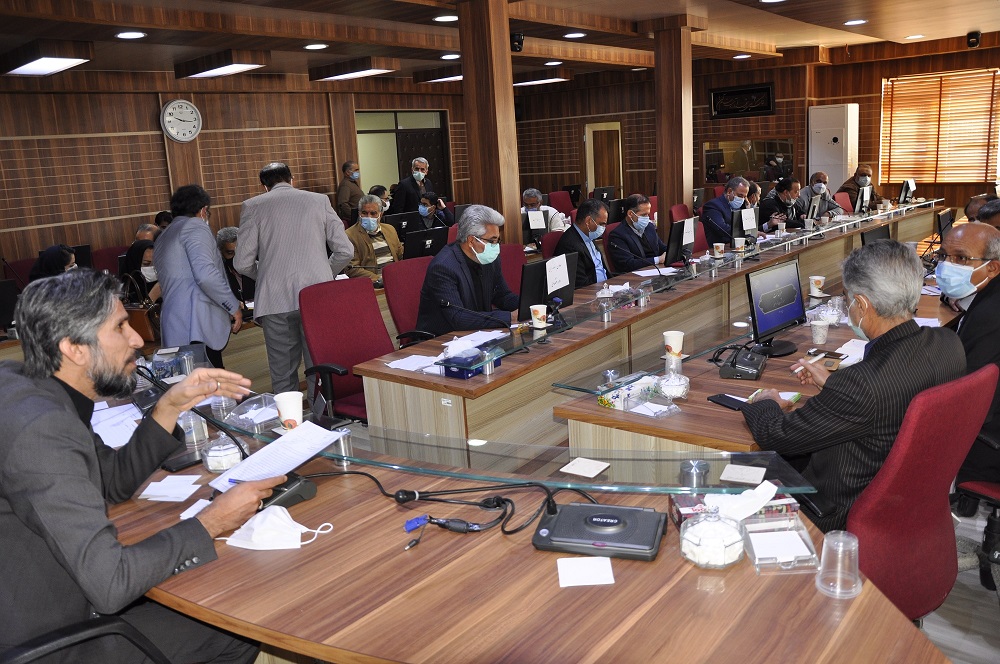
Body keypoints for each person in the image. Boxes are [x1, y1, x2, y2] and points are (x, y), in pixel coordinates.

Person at [0, 268, 282, 662]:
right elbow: (110, 583)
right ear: (74, 349)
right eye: (120, 327)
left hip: (54, 599)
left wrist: (168, 406)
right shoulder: (43, 430)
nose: (137, 338)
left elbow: (110, 483)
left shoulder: (29, 386)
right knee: (238, 623)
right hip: (49, 642)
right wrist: (212, 522)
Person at [740, 240, 966, 532]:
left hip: (838, 511)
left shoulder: (861, 386)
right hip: (907, 500)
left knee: (732, 468)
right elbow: (888, 399)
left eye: (847, 298)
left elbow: (776, 437)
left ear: (862, 304)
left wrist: (767, 402)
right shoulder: (948, 343)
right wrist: (835, 385)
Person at [235, 162, 353, 395]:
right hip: (316, 297)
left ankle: (288, 418)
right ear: (292, 179)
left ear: (264, 186)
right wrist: (323, 273)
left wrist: (268, 274)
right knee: (319, 368)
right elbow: (345, 251)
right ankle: (320, 416)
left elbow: (241, 263)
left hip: (275, 301)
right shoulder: (319, 201)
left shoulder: (253, 206)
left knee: (282, 374)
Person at [939, 225, 1000, 498]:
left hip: (987, 444)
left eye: (961, 258)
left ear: (993, 268)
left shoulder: (991, 316)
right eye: (943, 256)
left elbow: (966, 395)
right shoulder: (989, 295)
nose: (947, 265)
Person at [155, 185, 241, 369]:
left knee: (190, 382)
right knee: (212, 383)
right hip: (197, 325)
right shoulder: (195, 226)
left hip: (175, 325)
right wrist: (233, 306)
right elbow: (205, 275)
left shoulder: (164, 234)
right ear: (203, 210)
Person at [415, 205, 518, 336]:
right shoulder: (443, 267)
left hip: (478, 333)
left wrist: (529, 305)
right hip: (442, 339)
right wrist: (510, 317)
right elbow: (458, 318)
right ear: (471, 240)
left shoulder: (489, 259)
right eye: (492, 241)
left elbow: (502, 296)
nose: (496, 246)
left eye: (497, 240)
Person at [345, 194, 402, 282]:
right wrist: (379, 279)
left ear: (380, 214)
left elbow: (400, 255)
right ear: (359, 214)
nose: (369, 217)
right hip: (374, 282)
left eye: (373, 213)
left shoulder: (390, 229)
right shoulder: (350, 235)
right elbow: (352, 269)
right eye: (364, 213)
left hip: (396, 276)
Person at [554, 198, 609, 288]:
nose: (604, 228)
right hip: (592, 291)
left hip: (606, 286)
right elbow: (581, 285)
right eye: (601, 224)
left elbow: (602, 269)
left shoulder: (589, 234)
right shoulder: (570, 246)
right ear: (588, 221)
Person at [607, 194, 669, 272]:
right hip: (635, 275)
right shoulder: (617, 235)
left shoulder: (649, 227)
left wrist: (670, 252)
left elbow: (661, 247)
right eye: (643, 215)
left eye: (648, 214)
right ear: (630, 214)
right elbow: (628, 264)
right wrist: (658, 260)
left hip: (657, 270)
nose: (647, 218)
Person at [700, 176, 749, 247]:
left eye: (744, 197)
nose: (742, 200)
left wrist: (748, 209)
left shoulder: (737, 207)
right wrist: (745, 233)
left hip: (734, 245)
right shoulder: (713, 206)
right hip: (719, 248)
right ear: (729, 191)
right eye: (740, 195)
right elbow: (723, 229)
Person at [216, 226, 255, 313]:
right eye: (230, 253)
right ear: (220, 252)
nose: (237, 257)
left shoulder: (256, 266)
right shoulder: (217, 274)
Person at [122, 239, 161, 303]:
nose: (152, 268)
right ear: (134, 263)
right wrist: (153, 295)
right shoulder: (125, 290)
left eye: (156, 263)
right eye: (146, 264)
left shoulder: (164, 282)